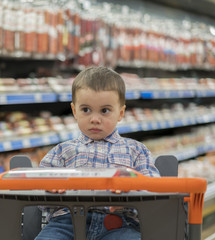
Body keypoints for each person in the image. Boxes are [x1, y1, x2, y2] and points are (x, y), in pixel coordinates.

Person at [35, 66, 160, 240]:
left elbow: (154, 189)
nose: (95, 118)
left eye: (105, 110)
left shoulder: (136, 151)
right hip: (66, 223)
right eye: (86, 109)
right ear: (74, 111)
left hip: (120, 224)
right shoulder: (61, 152)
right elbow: (38, 197)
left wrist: (133, 191)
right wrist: (50, 189)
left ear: (120, 113)